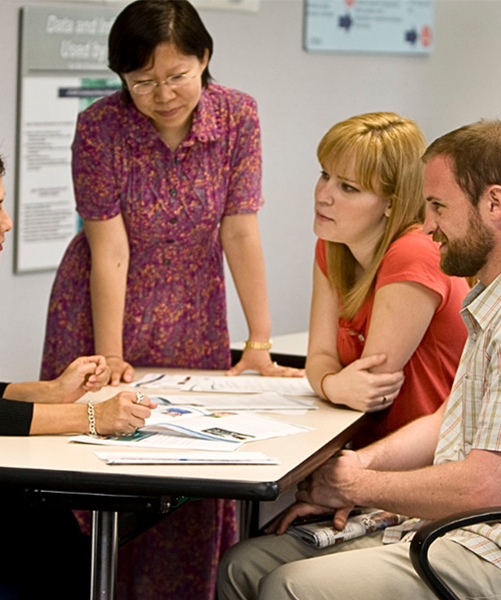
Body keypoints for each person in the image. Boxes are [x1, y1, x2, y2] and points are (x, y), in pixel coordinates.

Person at [40, 1, 299, 598]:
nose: (163, 94)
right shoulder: (100, 126)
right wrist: (110, 359)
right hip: (101, 299)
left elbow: (239, 230)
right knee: (101, 459)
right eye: (143, 82)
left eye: (177, 75)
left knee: (190, 461)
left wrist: (259, 343)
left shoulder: (238, 115)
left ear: (204, 58)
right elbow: (110, 249)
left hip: (194, 301)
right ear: (123, 80)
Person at [217, 118, 501, 600]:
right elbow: (446, 421)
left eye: (437, 207)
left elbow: (485, 487)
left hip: (482, 541)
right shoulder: (484, 302)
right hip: (443, 515)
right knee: (243, 565)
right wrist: (357, 469)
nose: (428, 224)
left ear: (495, 204)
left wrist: (359, 487)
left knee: (290, 587)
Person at [0, 128, 156, 598]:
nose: (8, 224)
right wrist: (92, 417)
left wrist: (50, 391)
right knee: (54, 536)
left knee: (57, 525)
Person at [305, 112, 469, 447]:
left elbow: (372, 386)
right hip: (370, 449)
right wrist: (331, 385)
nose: (324, 195)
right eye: (325, 175)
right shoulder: (332, 245)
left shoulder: (414, 252)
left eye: (348, 187)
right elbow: (319, 357)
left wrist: (328, 381)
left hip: (430, 460)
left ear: (391, 205)